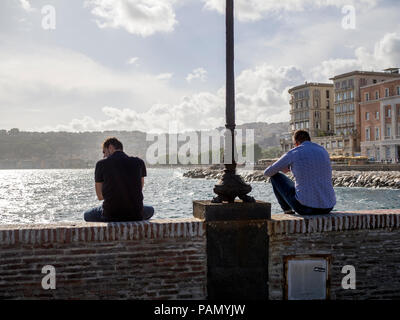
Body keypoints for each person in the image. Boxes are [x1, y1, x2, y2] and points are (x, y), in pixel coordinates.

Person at [263, 130, 336, 215]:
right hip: (328, 207)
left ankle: (287, 210)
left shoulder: (294, 152)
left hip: (305, 208)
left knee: (275, 177)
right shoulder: (323, 151)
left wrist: (282, 168)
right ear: (309, 140)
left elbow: (267, 172)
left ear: (296, 142)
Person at [84, 137, 154, 222]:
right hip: (136, 215)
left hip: (110, 215)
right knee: (151, 210)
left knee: (86, 215)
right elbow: (139, 188)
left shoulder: (101, 164)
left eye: (104, 152)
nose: (104, 155)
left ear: (110, 147)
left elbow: (100, 196)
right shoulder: (139, 162)